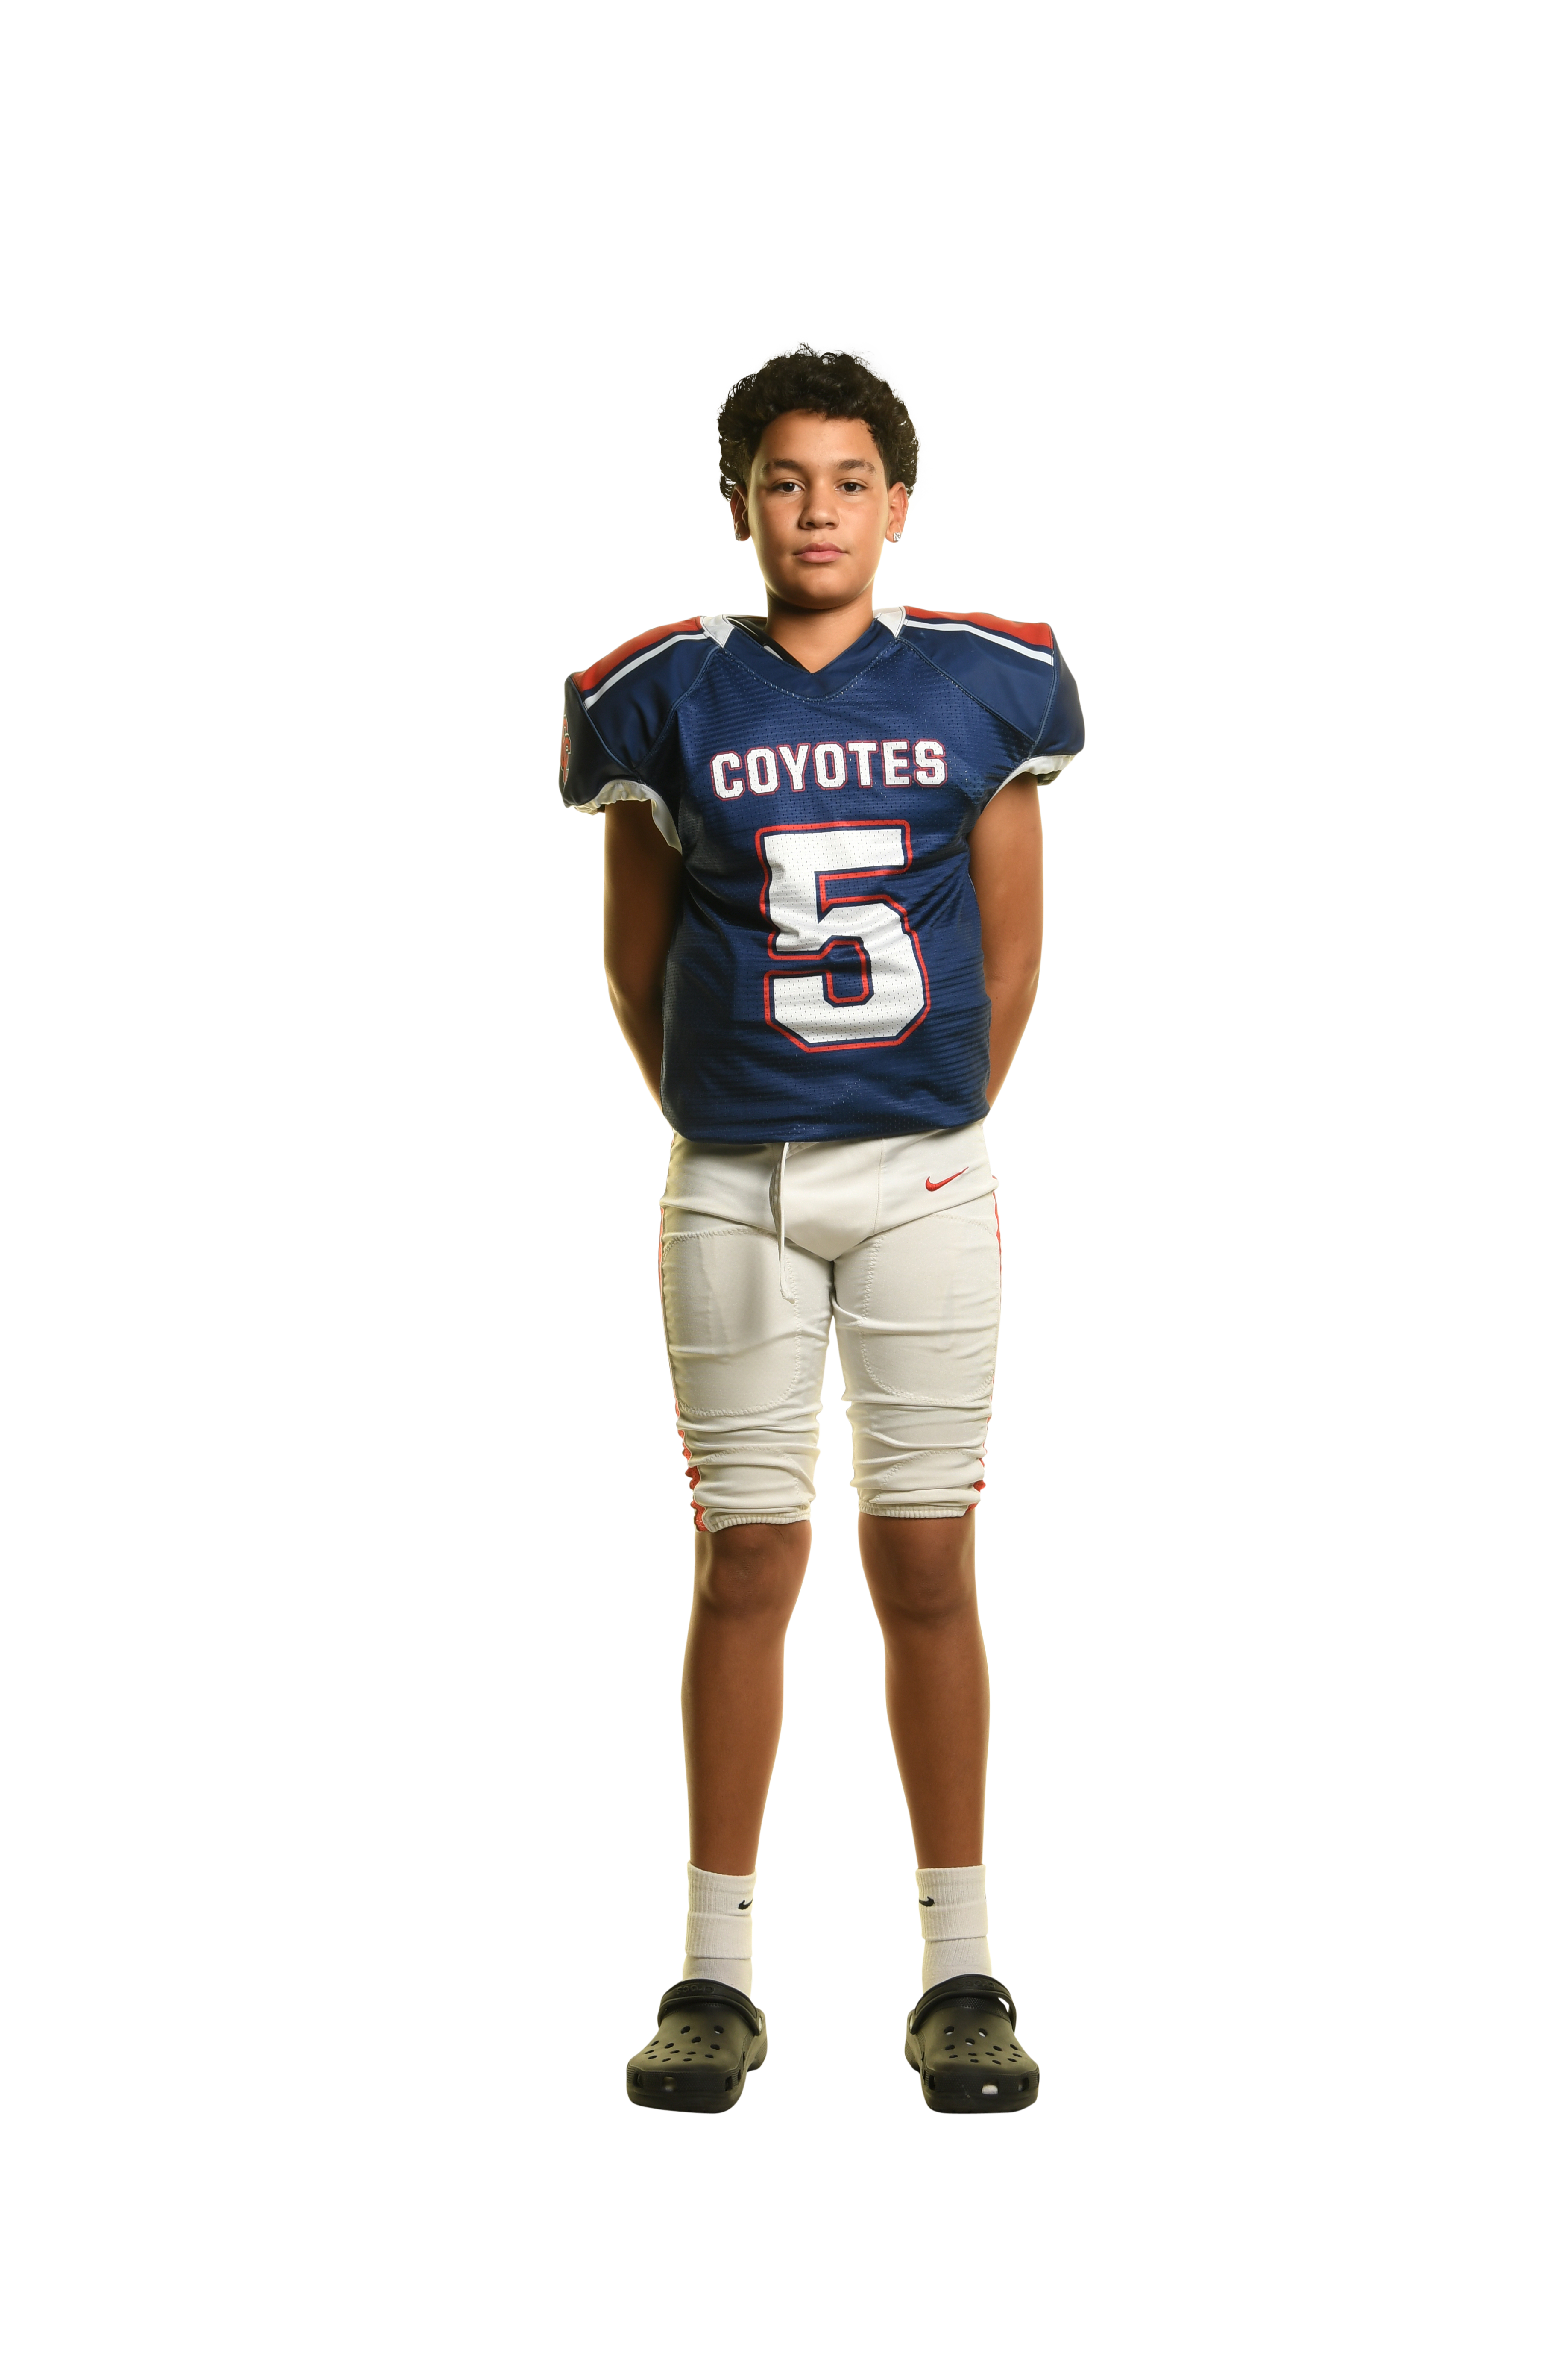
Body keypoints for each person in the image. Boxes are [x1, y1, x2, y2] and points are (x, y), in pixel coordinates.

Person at [558, 338, 1084, 2112]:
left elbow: (1013, 951)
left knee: (927, 1560)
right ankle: (714, 1971)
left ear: (900, 501)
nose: (817, 512)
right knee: (748, 1561)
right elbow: (633, 962)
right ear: (740, 503)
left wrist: (918, 1116)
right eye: (783, 480)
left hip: (926, 1172)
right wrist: (736, 1115)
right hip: (734, 1183)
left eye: (851, 480)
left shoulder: (984, 680)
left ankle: (962, 1962)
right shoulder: (661, 692)